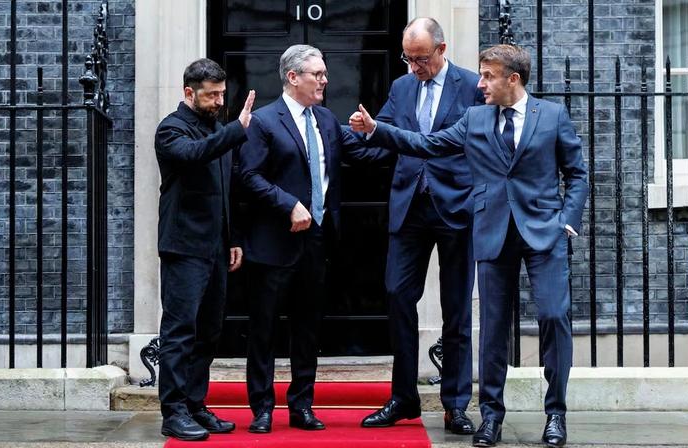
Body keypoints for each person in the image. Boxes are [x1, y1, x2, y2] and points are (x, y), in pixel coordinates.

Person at [350, 44, 588, 448]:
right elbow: (429, 144)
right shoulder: (475, 118)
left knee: (553, 317)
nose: (479, 84)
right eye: (480, 75)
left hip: (544, 233)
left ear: (512, 79)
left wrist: (566, 220)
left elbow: (576, 173)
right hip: (492, 230)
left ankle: (555, 414)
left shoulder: (551, 116)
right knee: (492, 329)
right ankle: (491, 417)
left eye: (488, 76)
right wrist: (377, 130)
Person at [239, 44, 388, 434]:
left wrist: (383, 135)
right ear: (293, 77)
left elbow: (364, 155)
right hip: (274, 242)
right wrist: (288, 204)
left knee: (308, 327)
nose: (325, 80)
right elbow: (248, 176)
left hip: (317, 242)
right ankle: (262, 409)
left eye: (324, 74)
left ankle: (302, 405)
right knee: (265, 328)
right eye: (317, 74)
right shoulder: (264, 122)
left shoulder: (325, 120)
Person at [357, 18, 483, 435]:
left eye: (422, 59)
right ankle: (403, 398)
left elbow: (472, 143)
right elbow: (383, 135)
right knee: (396, 295)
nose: (415, 67)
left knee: (456, 309)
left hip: (456, 206)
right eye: (409, 59)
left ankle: (456, 404)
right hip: (409, 205)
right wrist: (328, 136)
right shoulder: (401, 86)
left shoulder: (472, 86)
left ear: (442, 50)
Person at [154, 58, 255, 441]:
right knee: (180, 331)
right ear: (189, 93)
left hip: (215, 248)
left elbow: (226, 191)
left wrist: (233, 239)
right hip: (183, 247)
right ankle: (173, 411)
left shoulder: (217, 130)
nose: (217, 101)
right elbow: (195, 156)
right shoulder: (172, 129)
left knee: (209, 332)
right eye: (211, 95)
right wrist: (235, 130)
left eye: (221, 94)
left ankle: (195, 405)